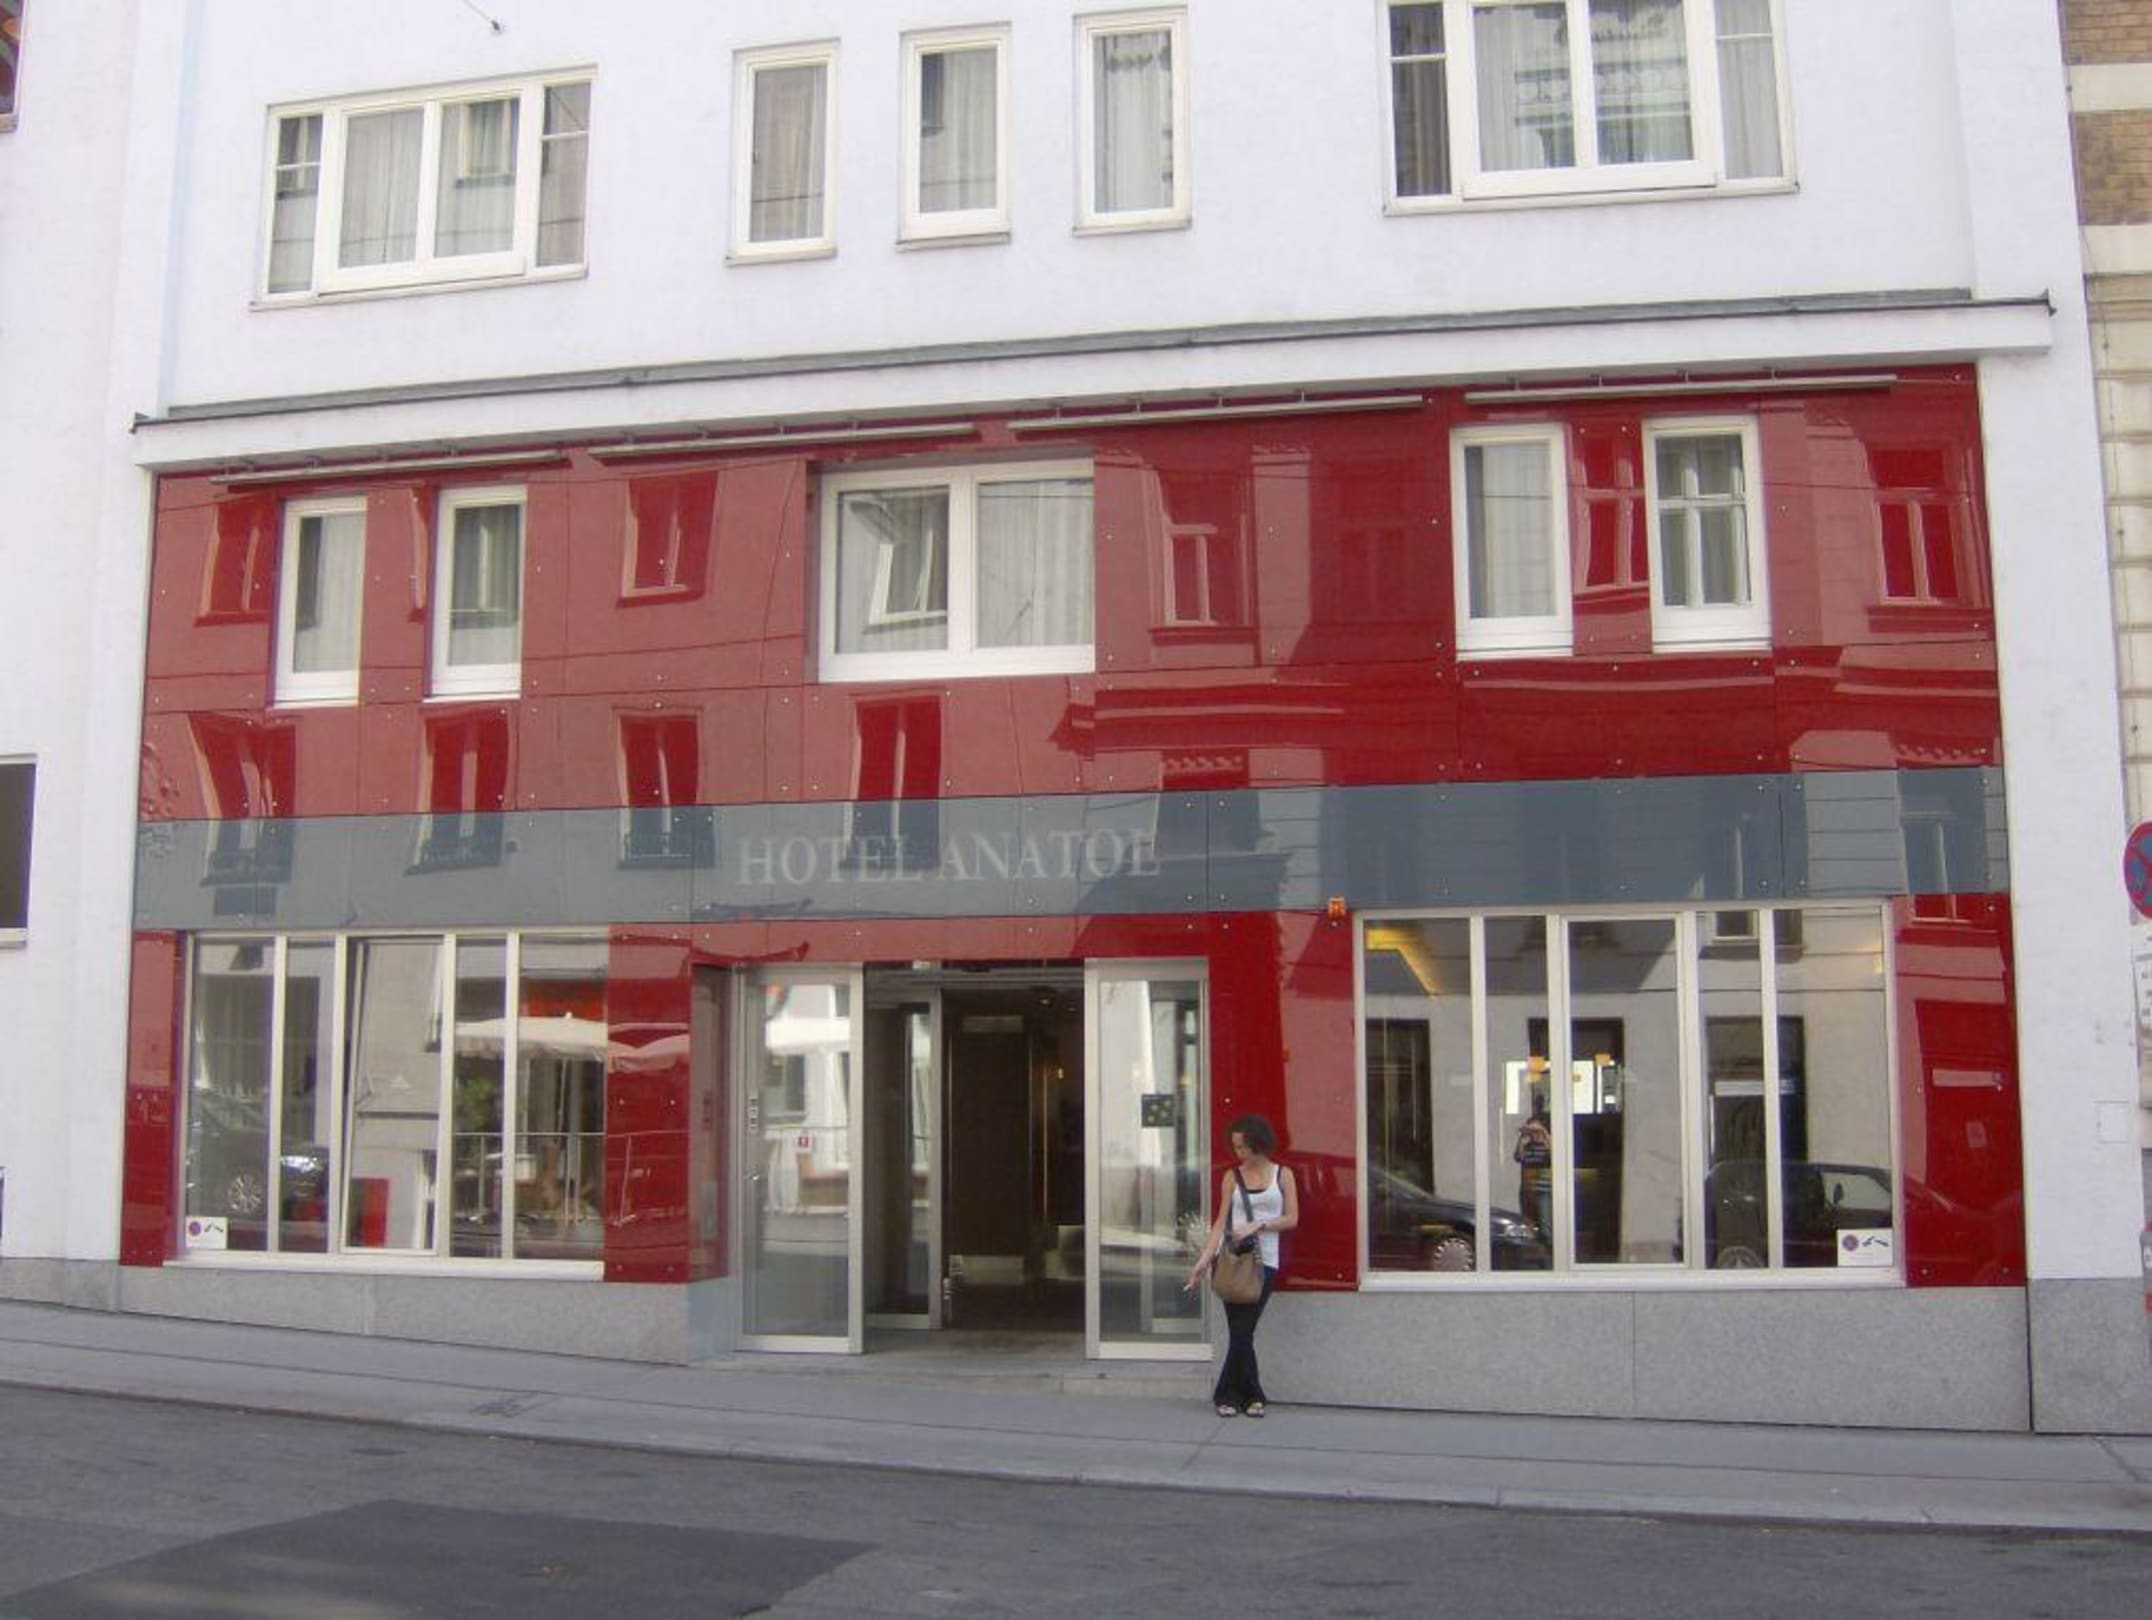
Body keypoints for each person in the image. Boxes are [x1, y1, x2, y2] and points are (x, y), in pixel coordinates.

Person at [1184, 1113, 1298, 1418]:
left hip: (1265, 1262)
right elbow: (1221, 1222)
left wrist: (1259, 1224)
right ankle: (1250, 1397)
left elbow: (1292, 1218)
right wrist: (1203, 1261)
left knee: (1243, 1330)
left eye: (1243, 1147)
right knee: (1241, 1332)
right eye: (1235, 1147)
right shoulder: (1231, 1177)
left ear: (1259, 1144)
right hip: (1232, 1262)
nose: (1239, 1153)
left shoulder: (1283, 1174)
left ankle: (1227, 1394)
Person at [1513, 1107, 1552, 1238]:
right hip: (1527, 1188)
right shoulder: (1526, 1143)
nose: (1534, 1134)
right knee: (1528, 1225)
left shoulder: (1547, 1143)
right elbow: (1518, 1157)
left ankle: (1548, 1247)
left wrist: (1544, 1133)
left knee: (1545, 1226)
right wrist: (1522, 1140)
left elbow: (1556, 1155)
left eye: (1536, 1130)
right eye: (1532, 1130)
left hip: (1543, 1189)